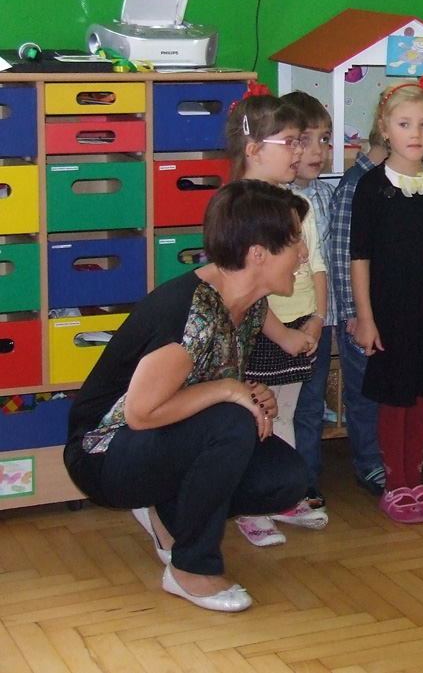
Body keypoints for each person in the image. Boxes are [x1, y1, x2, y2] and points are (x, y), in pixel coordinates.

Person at [63, 180, 311, 612]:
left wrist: (253, 394)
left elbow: (208, 379)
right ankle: (190, 569)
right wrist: (230, 390)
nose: (304, 254)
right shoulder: (189, 314)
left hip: (161, 435)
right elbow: (141, 413)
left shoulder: (250, 303)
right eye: (294, 242)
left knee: (284, 477)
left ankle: (168, 515)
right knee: (231, 425)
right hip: (104, 452)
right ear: (257, 254)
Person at [349, 79, 423, 525]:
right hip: (389, 312)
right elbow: (360, 257)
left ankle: (415, 477)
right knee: (393, 395)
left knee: (421, 395)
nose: (415, 133)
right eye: (404, 124)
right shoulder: (371, 187)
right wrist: (366, 318)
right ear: (385, 129)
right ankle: (394, 483)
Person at [225, 92, 329, 545]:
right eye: (290, 142)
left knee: (283, 413)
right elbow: (246, 290)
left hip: (298, 325)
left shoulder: (294, 200)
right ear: (253, 150)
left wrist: (316, 318)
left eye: (301, 141)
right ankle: (250, 506)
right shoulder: (238, 209)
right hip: (262, 333)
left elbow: (316, 261)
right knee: (256, 418)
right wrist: (282, 333)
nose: (300, 151)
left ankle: (280, 495)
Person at [281, 90, 336, 513]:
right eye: (306, 141)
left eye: (325, 139)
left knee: (311, 405)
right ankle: (277, 483)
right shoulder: (278, 199)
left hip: (320, 316)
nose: (318, 151)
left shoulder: (327, 195)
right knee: (279, 405)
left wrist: (325, 314)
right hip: (281, 319)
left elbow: (327, 262)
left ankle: (306, 481)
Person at [331, 127, 389, 497]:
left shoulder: (403, 179)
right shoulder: (356, 184)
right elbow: (342, 254)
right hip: (361, 314)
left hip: (392, 309)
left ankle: (389, 457)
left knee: (388, 390)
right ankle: (369, 462)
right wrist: (353, 311)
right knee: (365, 392)